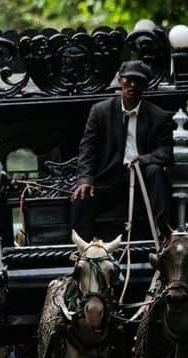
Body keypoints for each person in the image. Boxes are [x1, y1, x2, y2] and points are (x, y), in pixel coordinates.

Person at [71, 60, 174, 242]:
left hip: (141, 179)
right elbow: (88, 148)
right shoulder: (100, 111)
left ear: (146, 85)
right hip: (108, 178)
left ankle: (165, 235)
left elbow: (166, 151)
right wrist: (85, 179)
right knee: (82, 196)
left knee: (156, 170)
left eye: (139, 81)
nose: (133, 85)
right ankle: (82, 253)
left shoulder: (159, 116)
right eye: (129, 79)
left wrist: (145, 159)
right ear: (120, 81)